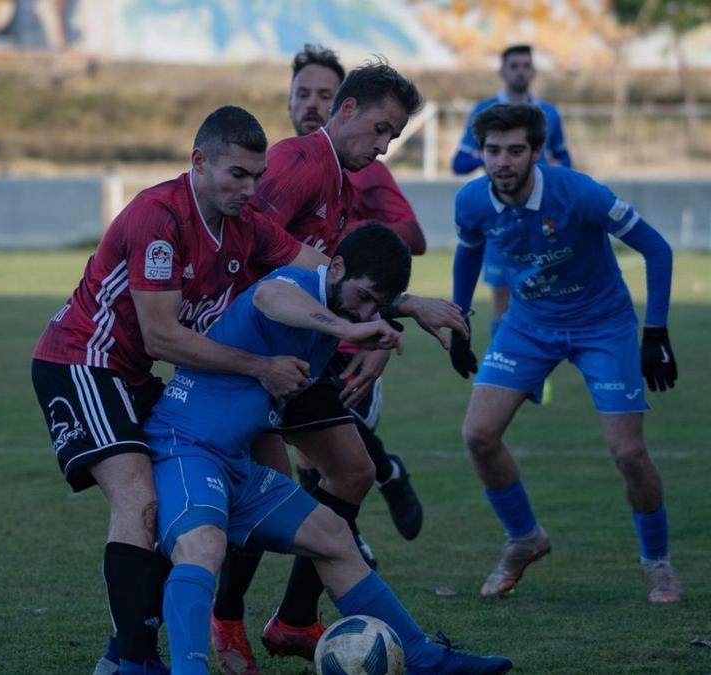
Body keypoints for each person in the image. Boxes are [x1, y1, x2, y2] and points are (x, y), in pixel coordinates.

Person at [31, 105, 329, 674]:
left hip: (134, 377)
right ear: (199, 161)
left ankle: (122, 656)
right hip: (83, 362)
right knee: (139, 501)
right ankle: (137, 662)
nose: (249, 188)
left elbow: (323, 275)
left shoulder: (245, 224)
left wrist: (396, 305)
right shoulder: (158, 215)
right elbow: (163, 336)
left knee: (175, 516)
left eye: (257, 176)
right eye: (236, 174)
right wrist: (260, 368)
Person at [149, 223, 513, 675]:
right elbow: (269, 297)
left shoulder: (343, 301)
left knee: (334, 536)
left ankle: (420, 657)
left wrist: (400, 310)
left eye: (373, 306)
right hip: (185, 447)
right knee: (203, 545)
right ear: (335, 267)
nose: (365, 312)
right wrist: (347, 327)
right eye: (361, 298)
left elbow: (365, 297)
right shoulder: (294, 285)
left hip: (236, 466)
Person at [210, 58, 468, 673]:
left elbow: (331, 281)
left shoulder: (338, 177)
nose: (382, 148)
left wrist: (381, 319)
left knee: (352, 470)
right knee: (267, 491)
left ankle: (296, 620)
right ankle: (223, 620)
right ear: (345, 111)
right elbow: (249, 258)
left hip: (294, 353)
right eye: (380, 130)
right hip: (258, 353)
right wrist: (399, 308)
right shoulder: (299, 164)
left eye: (393, 139)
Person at [450, 103, 680, 604]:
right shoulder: (471, 202)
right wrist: (459, 318)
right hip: (528, 327)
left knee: (628, 453)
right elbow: (468, 250)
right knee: (478, 435)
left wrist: (655, 332)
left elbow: (657, 248)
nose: (502, 162)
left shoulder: (580, 193)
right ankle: (524, 538)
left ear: (536, 152)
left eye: (515, 150)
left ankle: (657, 562)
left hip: (604, 327)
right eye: (492, 151)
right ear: (481, 154)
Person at [451, 44, 571, 343]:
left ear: (533, 70)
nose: (520, 71)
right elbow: (459, 162)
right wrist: (495, 158)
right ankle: (506, 368)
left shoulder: (550, 114)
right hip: (500, 217)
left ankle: (536, 378)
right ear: (502, 71)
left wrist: (557, 165)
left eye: (525, 65)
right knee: (502, 306)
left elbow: (565, 160)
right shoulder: (484, 111)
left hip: (545, 219)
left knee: (545, 301)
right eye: (514, 65)